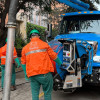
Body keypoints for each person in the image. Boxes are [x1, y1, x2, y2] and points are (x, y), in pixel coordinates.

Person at [21, 29, 62, 100]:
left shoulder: (25, 48)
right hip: (45, 74)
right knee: (47, 93)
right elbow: (53, 56)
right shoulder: (45, 45)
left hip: (33, 75)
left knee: (35, 94)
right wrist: (60, 64)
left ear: (30, 38)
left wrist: (26, 73)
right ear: (39, 36)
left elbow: (23, 63)